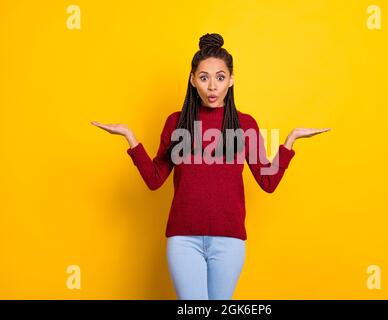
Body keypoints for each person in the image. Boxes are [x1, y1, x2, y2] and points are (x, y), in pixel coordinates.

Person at [91, 33, 331, 300]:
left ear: (231, 80)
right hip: (183, 240)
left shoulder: (245, 125)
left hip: (229, 241)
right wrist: (131, 139)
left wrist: (290, 142)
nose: (212, 87)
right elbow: (155, 179)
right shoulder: (176, 123)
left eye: (219, 77)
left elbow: (268, 181)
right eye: (204, 78)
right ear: (193, 81)